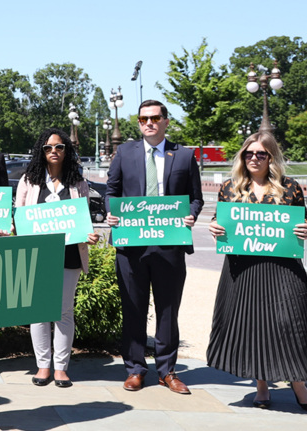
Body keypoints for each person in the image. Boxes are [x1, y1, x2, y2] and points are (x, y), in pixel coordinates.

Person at [206, 132, 307, 412]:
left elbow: (305, 222)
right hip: (242, 270)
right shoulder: (230, 188)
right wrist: (213, 227)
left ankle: (298, 382)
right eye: (248, 153)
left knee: (294, 323)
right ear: (242, 157)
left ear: (271, 157)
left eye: (260, 154)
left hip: (283, 268)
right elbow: (219, 221)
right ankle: (261, 385)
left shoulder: (289, 186)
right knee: (253, 325)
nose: (254, 158)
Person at [104, 99, 203, 394]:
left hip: (169, 244)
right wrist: (111, 211)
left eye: (155, 118)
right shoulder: (124, 152)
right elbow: (112, 190)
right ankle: (135, 369)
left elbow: (195, 197)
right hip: (131, 245)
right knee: (133, 309)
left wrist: (192, 214)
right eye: (144, 118)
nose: (150, 123)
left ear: (166, 121)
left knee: (168, 310)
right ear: (138, 122)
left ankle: (167, 371)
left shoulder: (184, 156)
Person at [14, 129, 102, 388]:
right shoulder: (28, 181)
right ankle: (43, 366)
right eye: (48, 147)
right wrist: (14, 229)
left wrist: (90, 236)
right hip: (38, 255)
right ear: (41, 151)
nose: (54, 151)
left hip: (69, 253)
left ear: (67, 151)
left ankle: (61, 368)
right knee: (39, 312)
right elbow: (19, 216)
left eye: (59, 147)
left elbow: (84, 222)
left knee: (63, 311)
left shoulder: (78, 184)